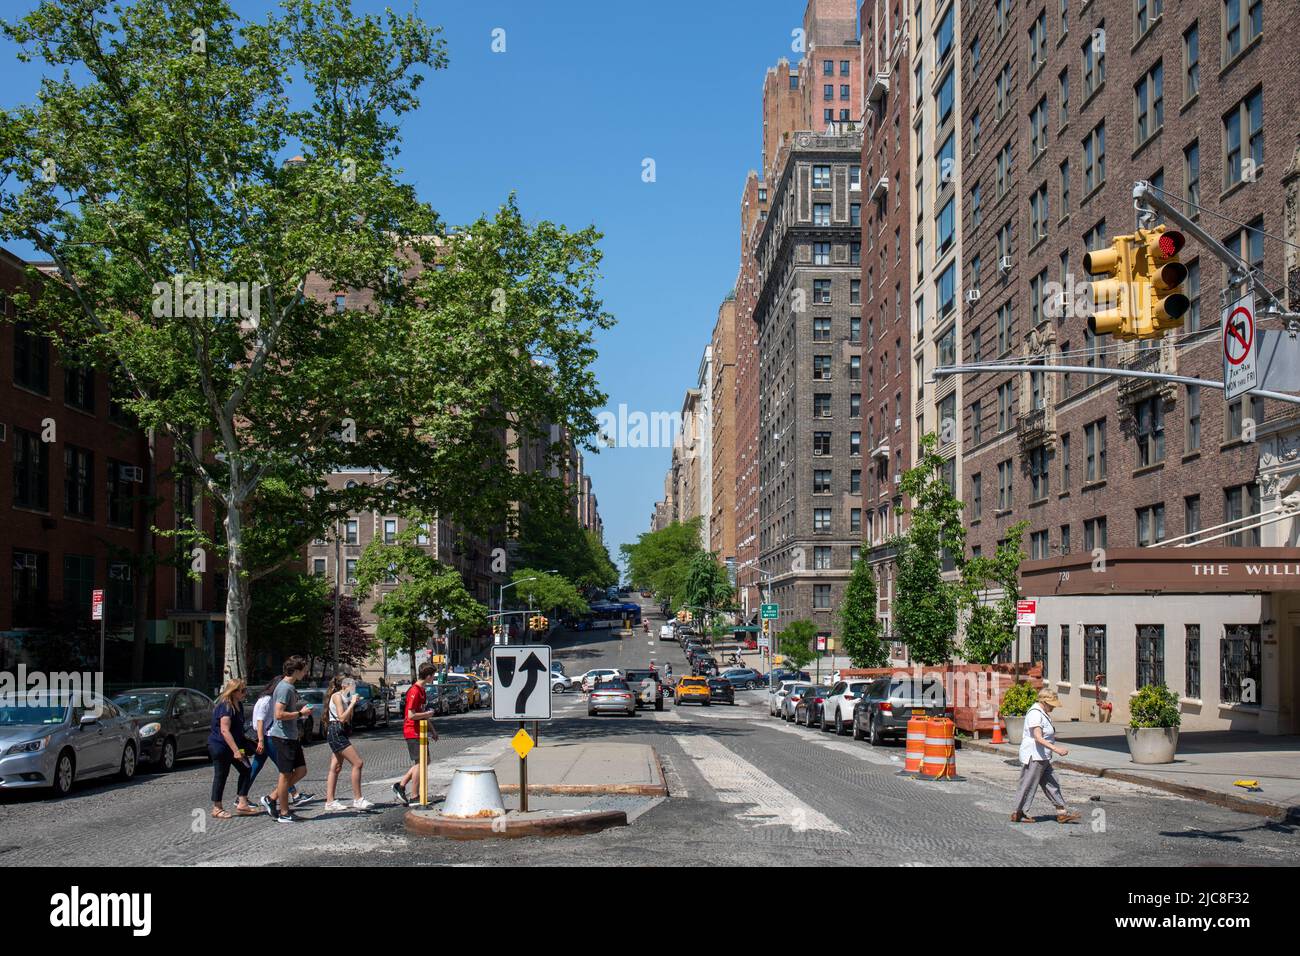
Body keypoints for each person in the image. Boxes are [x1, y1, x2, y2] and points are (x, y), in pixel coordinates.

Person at [1011, 688, 1081, 824]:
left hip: (1043, 757)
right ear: (1045, 701)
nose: (1054, 707)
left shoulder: (1042, 713)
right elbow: (1038, 737)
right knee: (1028, 784)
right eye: (1052, 704)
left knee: (1052, 782)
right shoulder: (1035, 714)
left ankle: (1062, 812)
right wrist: (1057, 749)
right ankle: (1019, 812)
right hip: (1035, 756)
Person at [267, 656, 313, 823]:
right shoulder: (285, 688)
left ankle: (272, 798)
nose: (306, 673)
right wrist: (301, 713)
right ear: (295, 670)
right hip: (283, 737)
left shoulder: (289, 687)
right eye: (304, 670)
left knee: (301, 771)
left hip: (291, 736)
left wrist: (300, 712)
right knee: (285, 775)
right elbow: (278, 714)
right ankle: (284, 812)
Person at [250, 676, 307, 811]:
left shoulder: (276, 695)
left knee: (286, 771)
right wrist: (261, 741)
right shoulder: (269, 699)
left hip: (276, 736)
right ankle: (286, 805)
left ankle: (267, 797)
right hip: (271, 737)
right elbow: (261, 721)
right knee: (284, 772)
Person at [323, 676, 373, 811]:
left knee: (336, 766)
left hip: (339, 731)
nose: (354, 688)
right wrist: (352, 703)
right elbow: (341, 717)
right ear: (344, 686)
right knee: (357, 763)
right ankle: (358, 799)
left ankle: (330, 801)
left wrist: (352, 702)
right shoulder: (337, 696)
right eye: (352, 686)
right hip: (336, 731)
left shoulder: (343, 697)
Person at [208, 679, 257, 818]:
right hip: (221, 746)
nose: (244, 693)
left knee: (246, 768)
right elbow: (225, 730)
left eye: (245, 690)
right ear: (233, 692)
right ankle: (217, 808)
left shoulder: (239, 705)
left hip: (235, 746)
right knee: (221, 775)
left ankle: (242, 803)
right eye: (242, 691)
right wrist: (236, 750)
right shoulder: (225, 707)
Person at [393, 662, 439, 807]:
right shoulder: (414, 691)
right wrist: (428, 714)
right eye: (433, 676)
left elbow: (422, 713)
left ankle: (401, 786)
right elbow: (411, 715)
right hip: (412, 730)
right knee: (421, 763)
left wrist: (432, 730)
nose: (434, 678)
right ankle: (414, 795)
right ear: (428, 676)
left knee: (426, 761)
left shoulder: (422, 690)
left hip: (421, 730)